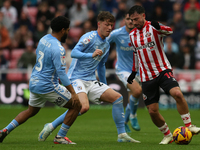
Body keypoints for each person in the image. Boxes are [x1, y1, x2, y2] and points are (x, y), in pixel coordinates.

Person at [38, 11, 140, 143]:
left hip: (91, 80)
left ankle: (122, 135)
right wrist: (90, 55)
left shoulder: (106, 44)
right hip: (76, 78)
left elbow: (101, 66)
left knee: (118, 98)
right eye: (106, 24)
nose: (109, 28)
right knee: (83, 107)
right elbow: (74, 52)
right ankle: (53, 128)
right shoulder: (89, 37)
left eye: (111, 25)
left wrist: (104, 85)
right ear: (99, 24)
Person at [0, 16, 82, 144]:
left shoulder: (43, 39)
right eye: (67, 30)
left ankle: (5, 130)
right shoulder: (58, 48)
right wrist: (73, 93)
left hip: (34, 82)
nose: (68, 32)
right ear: (62, 30)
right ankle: (60, 137)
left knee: (30, 111)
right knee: (77, 105)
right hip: (47, 85)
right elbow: (62, 74)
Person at [127, 5, 200, 144]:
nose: (134, 23)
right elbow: (136, 54)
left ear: (143, 15)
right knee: (152, 111)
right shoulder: (132, 35)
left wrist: (159, 27)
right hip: (146, 76)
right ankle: (167, 135)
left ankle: (189, 125)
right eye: (132, 20)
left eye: (136, 19)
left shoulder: (153, 27)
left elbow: (170, 31)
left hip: (162, 70)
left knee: (177, 94)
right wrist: (133, 72)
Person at [107, 11, 142, 133]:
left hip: (138, 70)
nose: (131, 21)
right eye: (128, 19)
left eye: (133, 19)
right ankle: (133, 116)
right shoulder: (117, 34)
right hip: (123, 70)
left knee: (133, 97)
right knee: (137, 91)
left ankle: (125, 122)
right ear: (124, 20)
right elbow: (103, 42)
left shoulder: (140, 33)